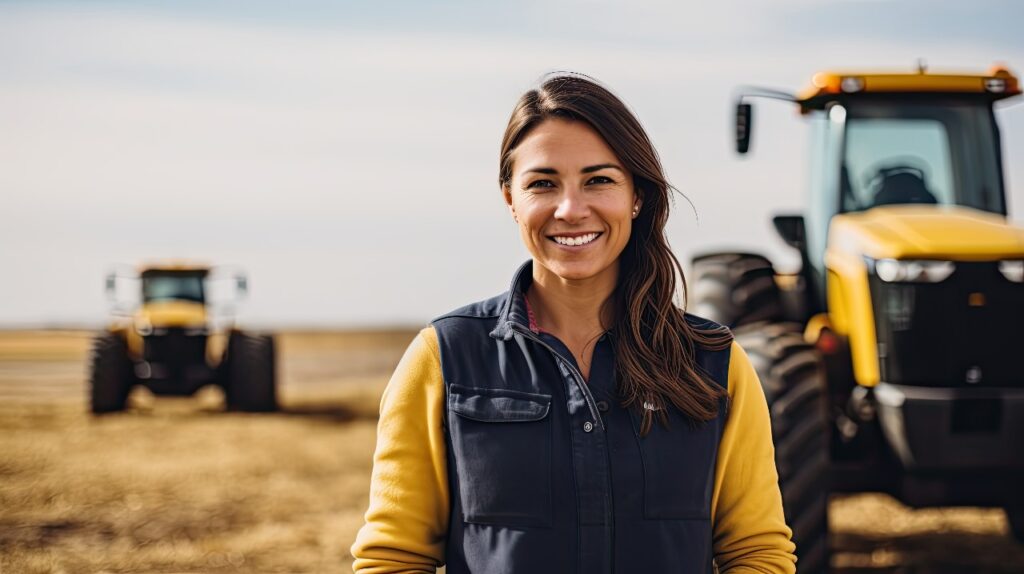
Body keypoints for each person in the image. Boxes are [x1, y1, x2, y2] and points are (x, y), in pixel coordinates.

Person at [351, 74, 797, 573]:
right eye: (543, 183)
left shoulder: (714, 364)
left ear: (636, 196)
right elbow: (393, 556)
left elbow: (756, 552)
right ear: (510, 199)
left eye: (599, 180)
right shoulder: (444, 358)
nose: (570, 209)